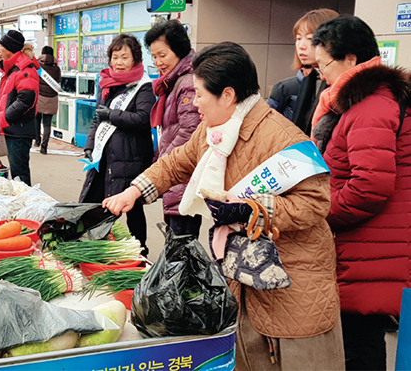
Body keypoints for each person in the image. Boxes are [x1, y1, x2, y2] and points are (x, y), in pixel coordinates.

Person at [104, 42, 343, 370]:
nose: (196, 102)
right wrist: (133, 192)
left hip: (293, 278)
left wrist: (251, 210)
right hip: (242, 271)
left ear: (228, 95)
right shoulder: (214, 130)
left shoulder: (283, 138)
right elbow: (176, 162)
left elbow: (316, 203)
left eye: (200, 94)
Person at [309, 15, 410, 371]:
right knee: (362, 341)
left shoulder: (370, 107)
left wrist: (318, 209)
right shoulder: (370, 101)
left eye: (325, 64)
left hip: (372, 245)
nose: (321, 73)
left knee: (360, 344)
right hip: (373, 244)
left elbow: (369, 186)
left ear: (351, 59)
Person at [80, 34, 154, 255]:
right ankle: (100, 247)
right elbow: (97, 118)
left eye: (125, 57)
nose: (119, 62)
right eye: (115, 57)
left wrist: (112, 114)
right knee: (98, 202)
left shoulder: (143, 86)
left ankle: (139, 250)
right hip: (105, 157)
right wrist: (89, 145)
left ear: (135, 59)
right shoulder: (107, 83)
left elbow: (144, 119)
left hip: (132, 157)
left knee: (132, 207)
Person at [144, 19, 202, 237]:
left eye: (163, 55)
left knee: (181, 246)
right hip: (175, 177)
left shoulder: (187, 83)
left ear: (178, 50)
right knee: (177, 245)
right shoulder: (172, 81)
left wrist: (163, 167)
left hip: (182, 177)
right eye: (154, 56)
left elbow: (188, 134)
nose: (158, 62)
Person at [267, 9, 339, 135]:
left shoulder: (342, 89)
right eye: (298, 38)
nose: (301, 45)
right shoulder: (286, 89)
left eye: (310, 38)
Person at [0, 30, 40, 186]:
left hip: (19, 129)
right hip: (14, 128)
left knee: (20, 174)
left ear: (10, 48)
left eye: (0, 46)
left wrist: (6, 116)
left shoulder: (24, 69)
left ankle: (27, 205)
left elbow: (26, 99)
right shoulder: (12, 68)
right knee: (17, 172)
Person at [36, 46, 61, 155]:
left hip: (39, 97)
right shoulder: (57, 68)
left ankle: (37, 140)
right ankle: (44, 147)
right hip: (51, 98)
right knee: (47, 124)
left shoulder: (37, 66)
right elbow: (59, 81)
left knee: (36, 120)